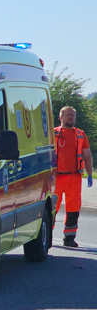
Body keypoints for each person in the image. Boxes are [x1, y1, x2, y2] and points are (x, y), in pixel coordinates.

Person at [54, 106, 93, 247]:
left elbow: (87, 155)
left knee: (73, 208)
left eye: (73, 116)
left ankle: (69, 238)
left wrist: (89, 174)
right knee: (52, 207)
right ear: (61, 117)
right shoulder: (53, 134)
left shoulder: (80, 135)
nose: (71, 118)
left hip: (74, 177)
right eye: (68, 115)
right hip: (56, 177)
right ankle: (46, 236)